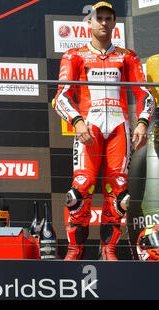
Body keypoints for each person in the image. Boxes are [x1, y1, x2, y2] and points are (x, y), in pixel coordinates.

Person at [53, 1, 155, 260]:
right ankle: (75, 250)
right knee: (80, 189)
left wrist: (142, 122)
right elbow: (61, 97)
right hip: (89, 128)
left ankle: (109, 250)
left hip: (119, 129)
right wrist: (77, 121)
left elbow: (144, 94)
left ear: (114, 23)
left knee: (120, 192)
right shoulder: (74, 55)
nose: (104, 23)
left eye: (109, 18)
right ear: (89, 23)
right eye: (99, 18)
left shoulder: (127, 56)